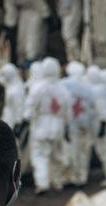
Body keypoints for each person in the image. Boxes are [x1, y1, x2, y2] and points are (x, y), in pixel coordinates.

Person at [22, 57, 71, 193]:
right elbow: (68, 110)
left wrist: (26, 120)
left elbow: (31, 106)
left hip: (41, 126)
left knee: (40, 155)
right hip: (58, 126)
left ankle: (42, 183)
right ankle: (57, 182)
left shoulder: (37, 88)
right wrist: (66, 125)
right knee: (57, 156)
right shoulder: (63, 89)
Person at [59, 61, 98, 187]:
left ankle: (71, 177)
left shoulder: (63, 84)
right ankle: (82, 177)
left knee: (70, 151)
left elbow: (62, 105)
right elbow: (93, 108)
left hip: (71, 123)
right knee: (84, 151)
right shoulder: (88, 86)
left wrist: (64, 124)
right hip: (85, 123)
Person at [4, 0, 50, 65]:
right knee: (21, 42)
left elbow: (39, 2)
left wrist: (46, 14)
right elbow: (10, 7)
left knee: (33, 41)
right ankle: (22, 64)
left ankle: (32, 63)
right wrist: (10, 24)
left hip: (37, 12)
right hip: (23, 12)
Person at [0, 63, 26, 130]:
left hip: (12, 118)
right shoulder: (12, 83)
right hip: (8, 115)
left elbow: (19, 107)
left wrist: (18, 123)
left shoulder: (16, 90)